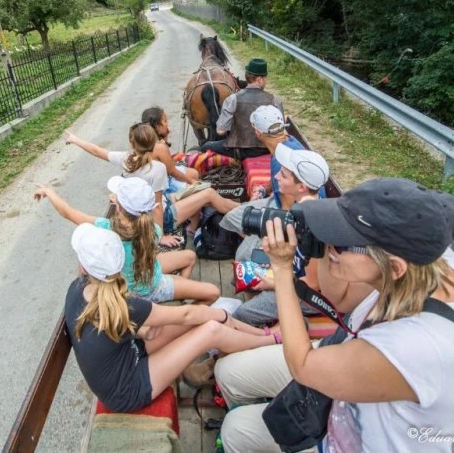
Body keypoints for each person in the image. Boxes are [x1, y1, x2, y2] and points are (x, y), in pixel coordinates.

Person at [216, 189, 454, 446]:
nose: (333, 250)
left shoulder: (429, 337)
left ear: (394, 267)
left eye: (341, 244)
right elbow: (338, 297)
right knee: (229, 371)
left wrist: (283, 270)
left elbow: (303, 367)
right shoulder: (425, 257)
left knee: (236, 430)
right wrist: (319, 229)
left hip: (352, 426)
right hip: (340, 359)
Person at [65, 223, 275, 412]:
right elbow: (186, 314)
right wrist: (220, 315)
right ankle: (269, 340)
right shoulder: (123, 304)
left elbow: (104, 332)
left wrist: (140, 329)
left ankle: (257, 341)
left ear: (84, 268)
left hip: (127, 354)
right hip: (127, 389)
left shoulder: (78, 289)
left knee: (208, 321)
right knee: (212, 327)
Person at [34, 176, 219, 304]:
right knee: (209, 286)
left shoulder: (106, 228)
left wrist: (49, 192)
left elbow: (67, 212)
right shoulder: (153, 229)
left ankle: (177, 298)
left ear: (119, 206)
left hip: (130, 290)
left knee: (188, 257)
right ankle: (179, 300)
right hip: (154, 283)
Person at [65, 125, 240, 237]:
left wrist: (75, 139)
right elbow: (157, 207)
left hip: (141, 209)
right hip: (157, 217)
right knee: (207, 192)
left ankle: (199, 225)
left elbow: (96, 151)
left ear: (132, 144)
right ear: (155, 143)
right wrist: (161, 236)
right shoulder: (158, 169)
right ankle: (243, 212)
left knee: (195, 188)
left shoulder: (125, 159)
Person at [232, 144, 331, 329]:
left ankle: (260, 334)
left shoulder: (315, 225)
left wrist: (272, 283)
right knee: (245, 260)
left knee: (240, 315)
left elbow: (312, 284)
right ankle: (259, 314)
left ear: (301, 187)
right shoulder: (300, 207)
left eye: (283, 175)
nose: (276, 176)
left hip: (306, 293)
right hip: (293, 269)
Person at [200, 58, 284, 160]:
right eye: (265, 78)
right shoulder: (275, 100)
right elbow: (280, 129)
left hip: (239, 151)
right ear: (260, 80)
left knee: (205, 146)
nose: (265, 81)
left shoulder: (232, 99)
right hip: (266, 148)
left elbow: (220, 131)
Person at [250, 105, 326, 209]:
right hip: (308, 202)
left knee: (232, 217)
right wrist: (265, 190)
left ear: (258, 133)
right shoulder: (289, 141)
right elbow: (277, 176)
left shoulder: (281, 160)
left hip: (300, 210)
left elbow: (287, 210)